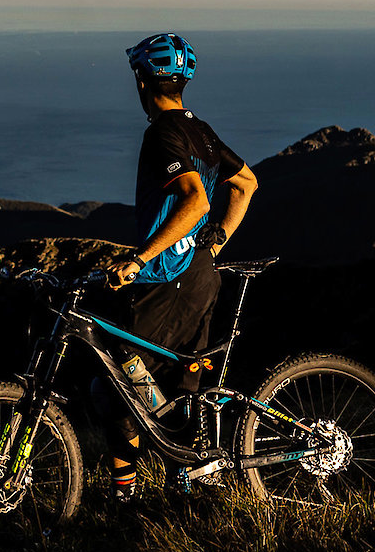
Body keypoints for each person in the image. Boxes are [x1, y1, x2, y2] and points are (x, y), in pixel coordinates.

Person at [98, 32, 258, 499]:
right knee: (182, 387)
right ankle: (188, 485)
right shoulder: (200, 130)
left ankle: (124, 496)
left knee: (117, 384)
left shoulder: (161, 134)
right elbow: (246, 184)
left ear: (143, 82)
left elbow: (195, 199)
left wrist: (139, 258)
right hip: (200, 276)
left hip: (165, 279)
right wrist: (214, 242)